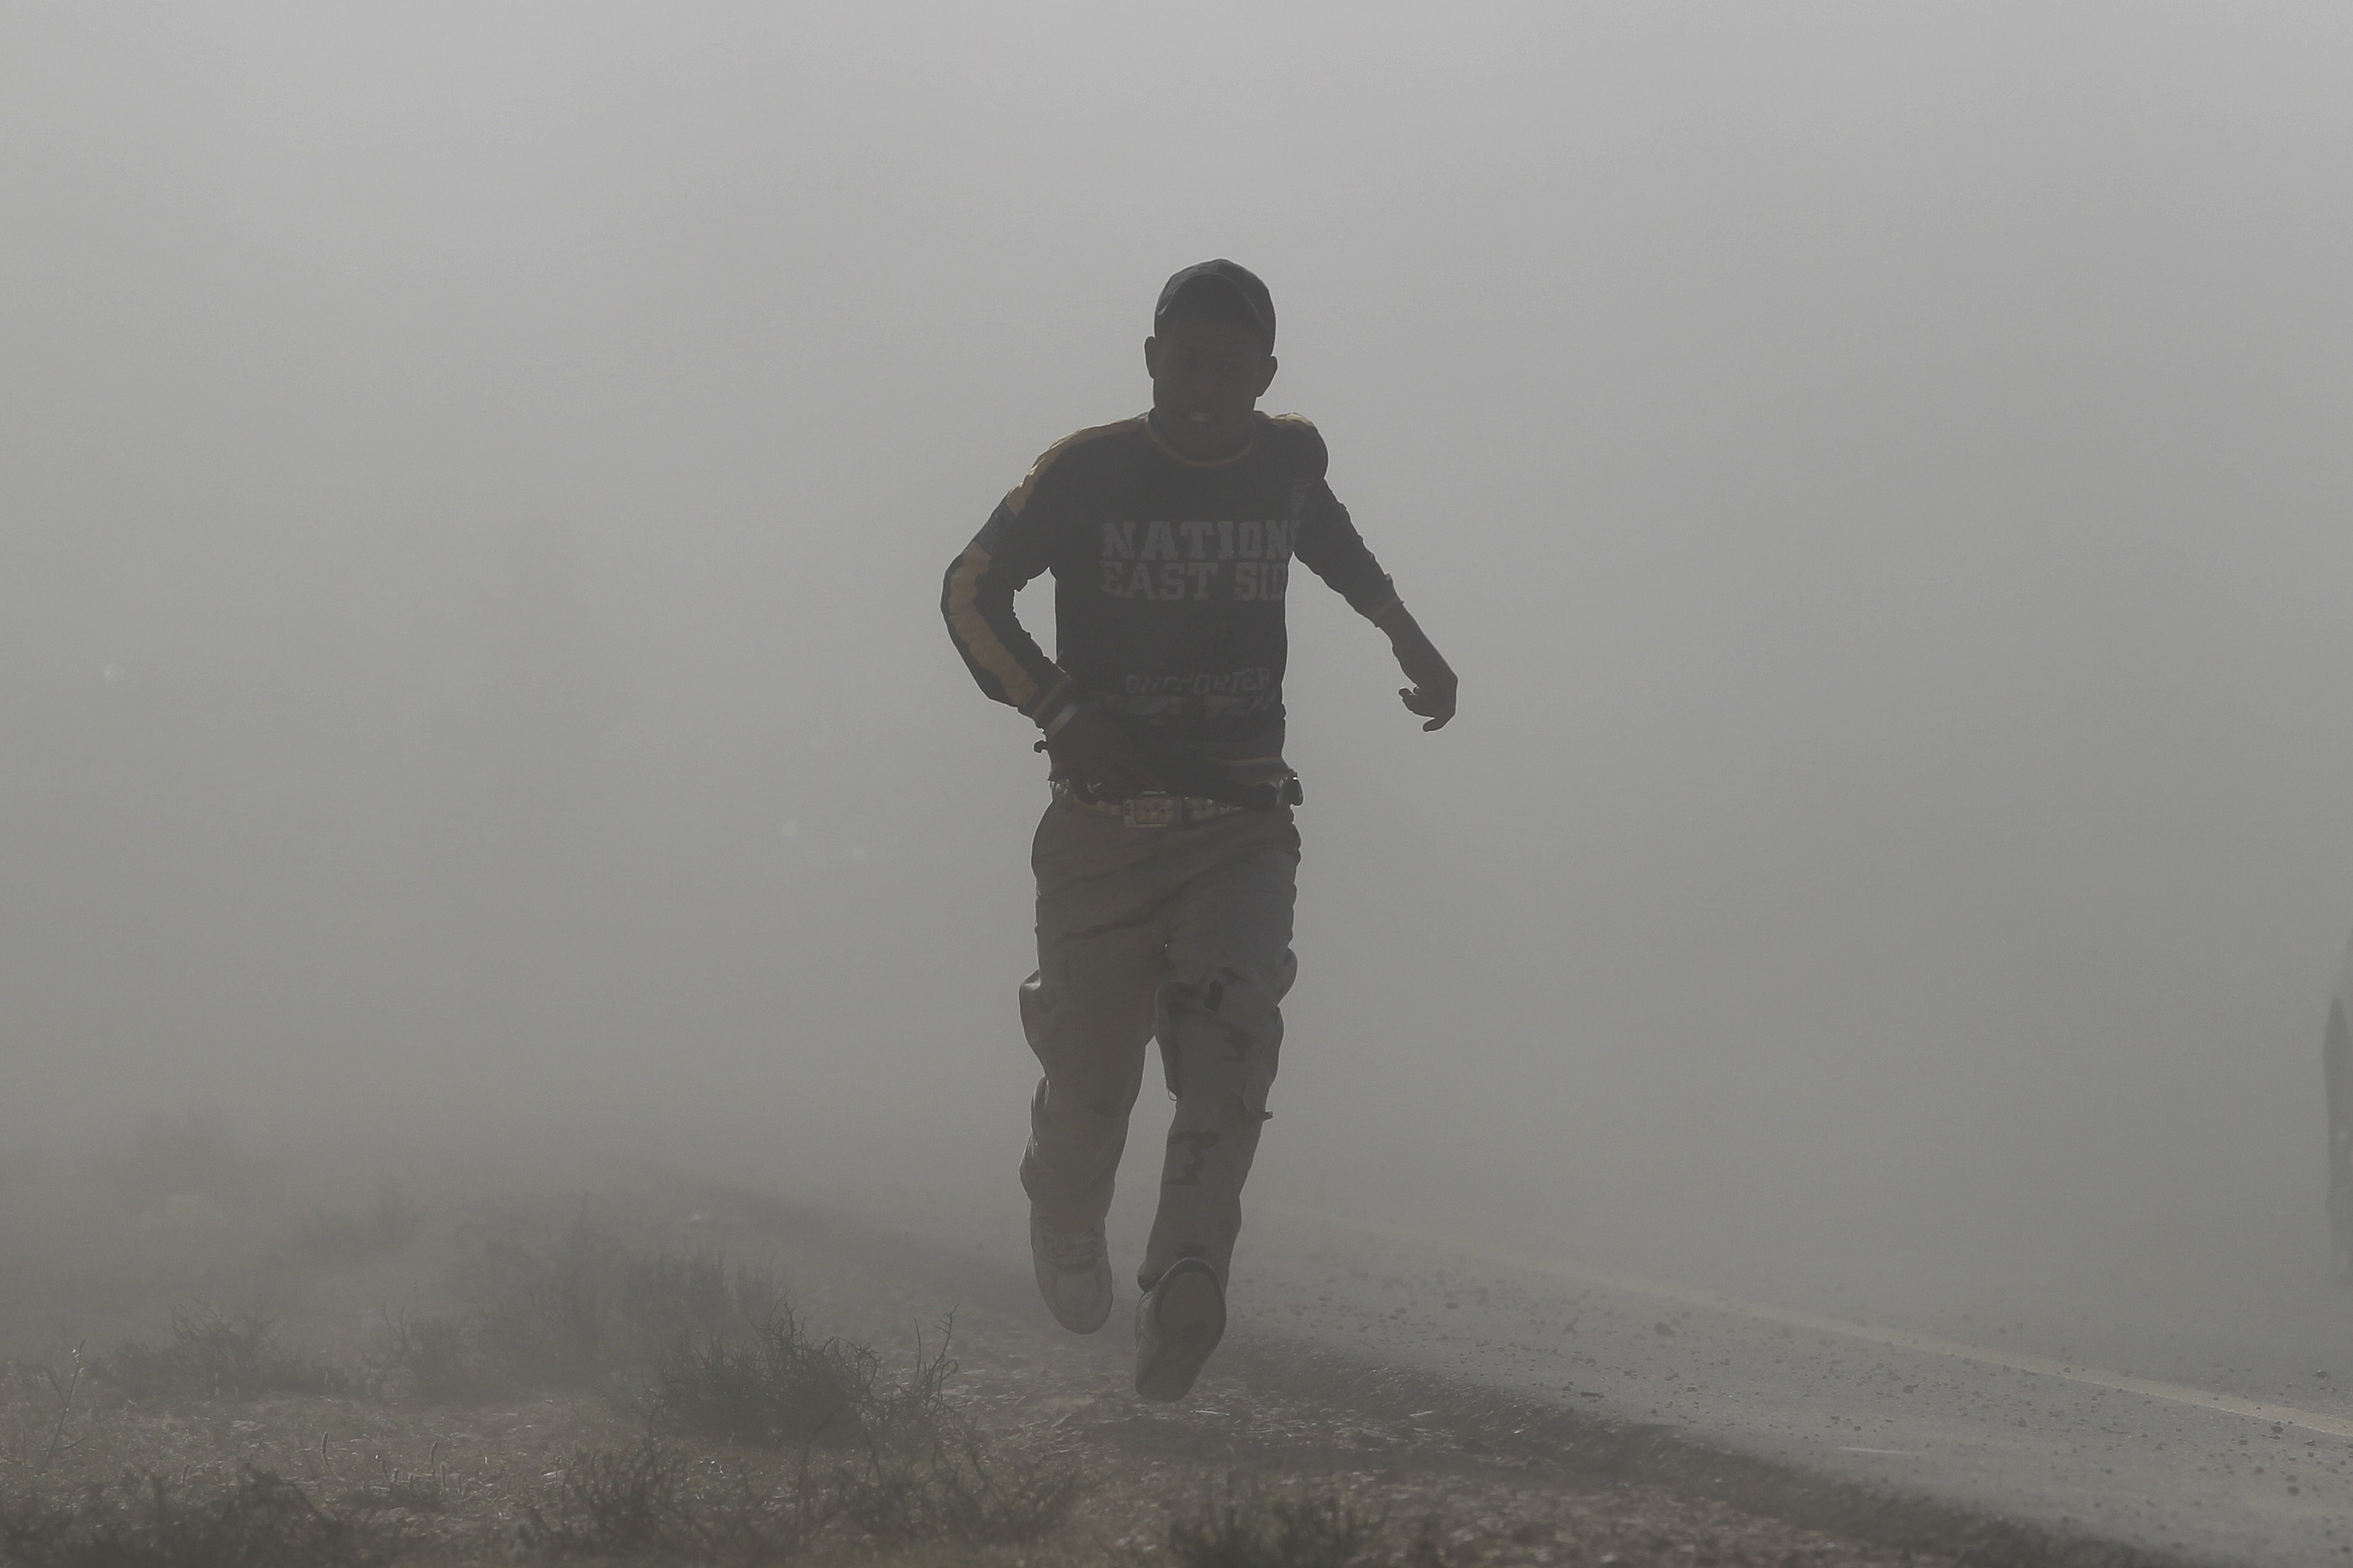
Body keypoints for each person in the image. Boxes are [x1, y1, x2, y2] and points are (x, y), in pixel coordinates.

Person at [941, 260, 1457, 1401]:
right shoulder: (1083, 475)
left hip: (1239, 823)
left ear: (1265, 376)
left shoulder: (1285, 463)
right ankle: (1066, 1211)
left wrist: (1408, 639)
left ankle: (1187, 1275)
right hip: (1099, 833)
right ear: (1150, 360)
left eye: (1233, 370)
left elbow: (1334, 546)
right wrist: (1059, 711)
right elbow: (969, 590)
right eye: (1188, 363)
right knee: (1090, 1079)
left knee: (1229, 1048)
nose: (1206, 389)